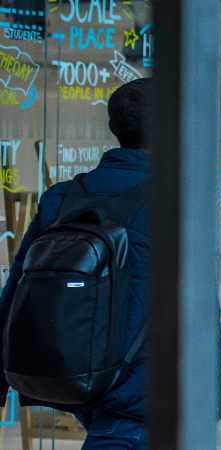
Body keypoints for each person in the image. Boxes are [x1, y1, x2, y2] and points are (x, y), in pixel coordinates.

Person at [0, 78, 158, 448]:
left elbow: (17, 293)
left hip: (92, 391)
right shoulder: (175, 199)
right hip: (145, 403)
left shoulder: (62, 197)